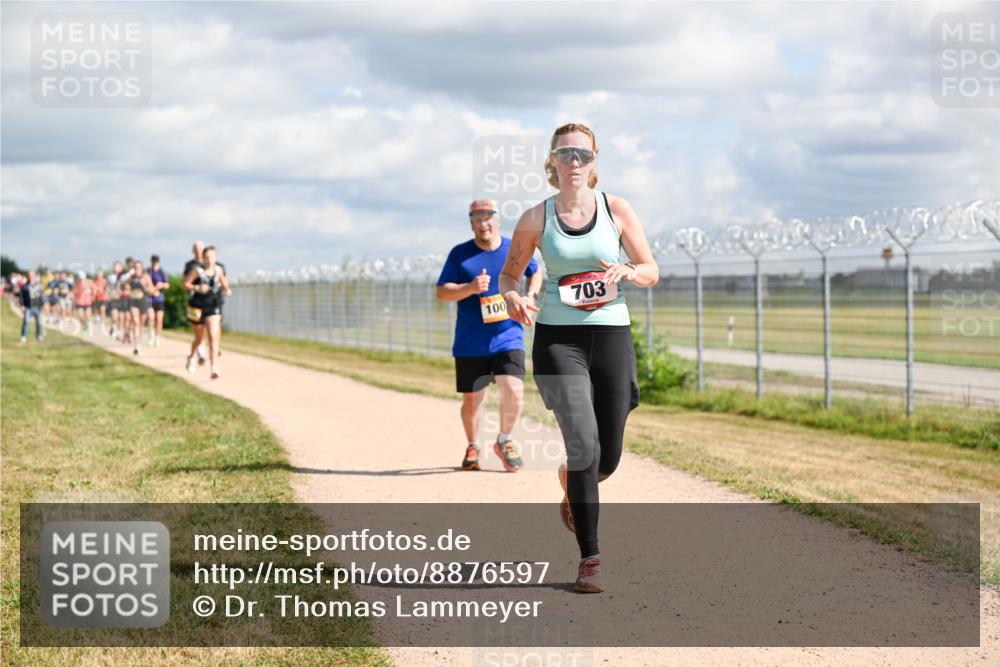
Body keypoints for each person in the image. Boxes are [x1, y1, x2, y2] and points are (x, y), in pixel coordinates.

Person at [499, 122, 658, 593]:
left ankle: (573, 480)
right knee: (584, 444)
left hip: (610, 336)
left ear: (595, 161)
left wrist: (629, 269)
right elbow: (510, 275)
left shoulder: (617, 209)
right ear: (551, 161)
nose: (573, 162)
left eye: (582, 155)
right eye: (565, 154)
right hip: (557, 339)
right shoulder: (535, 218)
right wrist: (513, 298)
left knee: (606, 457)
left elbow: (651, 269)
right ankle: (590, 558)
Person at [436, 199, 542, 472]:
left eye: (487, 218)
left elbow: (536, 271)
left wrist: (530, 294)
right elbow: (442, 291)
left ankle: (504, 440)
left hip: (509, 334)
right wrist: (470, 287)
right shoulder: (460, 254)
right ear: (472, 223)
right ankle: (473, 444)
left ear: (497, 220)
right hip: (471, 341)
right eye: (477, 220)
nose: (483, 224)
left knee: (514, 390)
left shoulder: (511, 248)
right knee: (473, 402)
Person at [184, 245, 230, 379]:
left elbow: (225, 283)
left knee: (213, 335)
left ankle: (214, 367)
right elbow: (185, 284)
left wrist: (226, 289)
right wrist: (197, 287)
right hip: (197, 306)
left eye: (211, 257)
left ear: (216, 257)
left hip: (213, 305)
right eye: (206, 257)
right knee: (199, 338)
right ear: (202, 259)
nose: (209, 260)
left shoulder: (219, 270)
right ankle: (192, 357)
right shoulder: (197, 271)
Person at [184, 241, 208, 365]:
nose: (198, 251)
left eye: (200, 249)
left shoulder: (209, 264)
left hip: (208, 303)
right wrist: (197, 288)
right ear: (193, 250)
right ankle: (200, 353)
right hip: (194, 302)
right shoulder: (190, 265)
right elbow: (185, 284)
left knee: (204, 332)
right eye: (196, 249)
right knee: (198, 331)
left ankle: (193, 356)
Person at [127, 261, 158, 355]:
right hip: (133, 302)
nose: (136, 269)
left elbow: (152, 289)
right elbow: (125, 288)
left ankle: (139, 343)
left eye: (138, 267)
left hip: (143, 301)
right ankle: (136, 344)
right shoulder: (131, 278)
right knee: (135, 322)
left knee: (140, 324)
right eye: (135, 267)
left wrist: (145, 287)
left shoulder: (146, 277)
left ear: (142, 268)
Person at [148, 255, 169, 347]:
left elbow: (167, 285)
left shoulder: (162, 272)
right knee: (151, 318)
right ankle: (151, 335)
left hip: (159, 299)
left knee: (159, 319)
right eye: (153, 261)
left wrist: (162, 285)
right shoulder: (148, 271)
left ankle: (157, 337)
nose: (154, 263)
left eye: (156, 261)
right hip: (149, 298)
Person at [19, 270, 44, 343]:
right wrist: (22, 305)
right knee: (26, 322)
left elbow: (42, 295)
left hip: (37, 307)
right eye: (29, 275)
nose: (31, 276)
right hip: (28, 307)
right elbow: (21, 296)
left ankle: (39, 335)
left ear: (34, 276)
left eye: (32, 275)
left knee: (39, 322)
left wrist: (44, 303)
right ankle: (23, 336)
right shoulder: (25, 286)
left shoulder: (39, 286)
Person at [73, 271, 95, 335]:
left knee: (88, 316)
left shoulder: (90, 282)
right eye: (80, 278)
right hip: (80, 301)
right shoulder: (77, 283)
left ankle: (89, 329)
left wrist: (91, 293)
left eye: (82, 277)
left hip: (88, 301)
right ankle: (84, 326)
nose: (81, 279)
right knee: (81, 316)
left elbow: (94, 289)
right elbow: (75, 292)